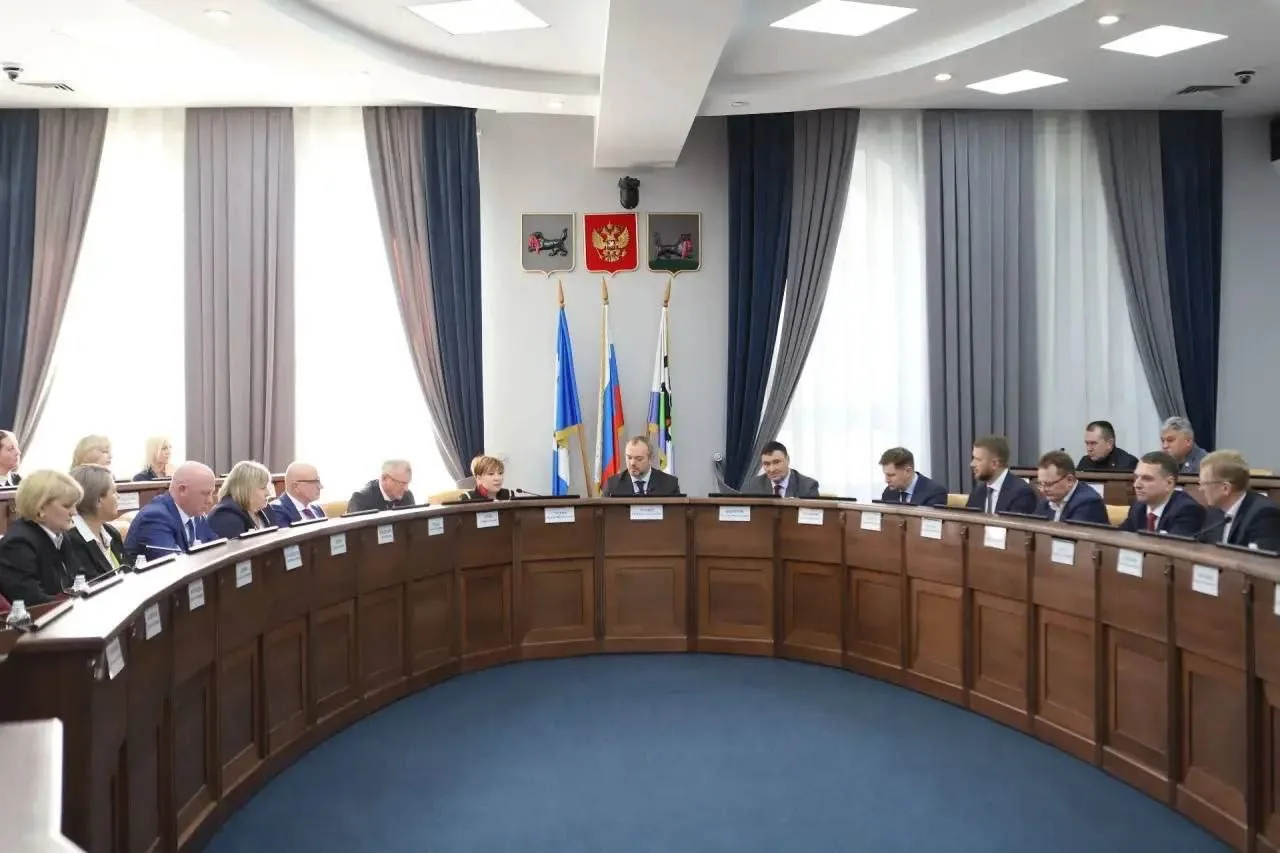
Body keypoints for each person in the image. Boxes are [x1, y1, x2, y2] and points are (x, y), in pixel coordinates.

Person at [0, 470, 92, 605]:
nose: (74, 512)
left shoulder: (60, 535)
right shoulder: (18, 544)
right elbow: (32, 601)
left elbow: (79, 579)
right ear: (41, 508)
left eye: (75, 505)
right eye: (67, 506)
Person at [123, 461, 218, 561]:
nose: (210, 501)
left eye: (212, 493)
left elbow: (217, 552)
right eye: (205, 493)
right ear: (182, 490)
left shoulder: (197, 516)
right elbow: (172, 566)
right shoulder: (155, 518)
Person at [1196, 450, 1280, 551]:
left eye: (1204, 484)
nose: (1200, 489)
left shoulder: (1264, 514)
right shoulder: (1214, 512)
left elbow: (1260, 558)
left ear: (1225, 488)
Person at [1117, 451, 1205, 536]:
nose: (1137, 485)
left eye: (1147, 479)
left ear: (1169, 483)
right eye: (1136, 477)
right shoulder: (1138, 507)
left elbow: (1172, 545)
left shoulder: (1187, 510)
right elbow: (1121, 537)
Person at [67, 463, 126, 576]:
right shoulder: (71, 542)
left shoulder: (111, 532)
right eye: (114, 491)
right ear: (98, 500)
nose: (118, 496)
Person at [1031, 451, 1110, 524]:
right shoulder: (1045, 501)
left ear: (1070, 480)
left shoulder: (1088, 503)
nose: (1043, 490)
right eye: (1040, 484)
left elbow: (1070, 534)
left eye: (1048, 484)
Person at [965, 435, 1036, 515]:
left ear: (994, 464)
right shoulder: (978, 492)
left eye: (978, 460)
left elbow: (1012, 522)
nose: (972, 464)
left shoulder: (1021, 493)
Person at [207, 461, 275, 539]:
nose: (268, 493)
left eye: (267, 487)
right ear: (245, 489)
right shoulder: (225, 514)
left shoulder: (267, 510)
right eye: (263, 488)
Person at [603, 436, 681, 497]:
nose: (632, 463)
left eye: (639, 459)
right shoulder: (612, 485)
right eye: (629, 458)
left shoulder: (669, 484)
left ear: (650, 459)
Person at [741, 441, 820, 498]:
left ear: (787, 460)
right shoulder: (751, 487)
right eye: (766, 464)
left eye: (776, 462)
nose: (772, 469)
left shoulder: (808, 487)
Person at [878, 447, 948, 507]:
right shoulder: (888, 492)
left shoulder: (935, 493)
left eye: (891, 475)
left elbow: (928, 519)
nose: (886, 480)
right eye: (885, 475)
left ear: (908, 471)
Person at [268, 462, 326, 526]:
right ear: (296, 487)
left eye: (319, 481)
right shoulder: (276, 510)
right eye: (315, 482)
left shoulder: (317, 509)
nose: (321, 486)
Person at [347, 460, 416, 511]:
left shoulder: (407, 496)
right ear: (384, 478)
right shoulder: (360, 500)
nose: (406, 489)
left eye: (407, 483)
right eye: (402, 483)